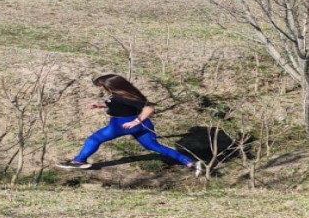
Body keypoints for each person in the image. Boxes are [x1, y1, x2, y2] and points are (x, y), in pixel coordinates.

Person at [56, 74, 203, 175]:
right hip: (140, 124)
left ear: (110, 86)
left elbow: (149, 107)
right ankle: (191, 163)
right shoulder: (120, 95)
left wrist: (135, 121)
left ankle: (79, 161)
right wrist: (100, 105)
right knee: (154, 147)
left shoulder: (124, 96)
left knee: (94, 139)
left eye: (102, 86)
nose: (101, 89)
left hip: (123, 124)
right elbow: (119, 105)